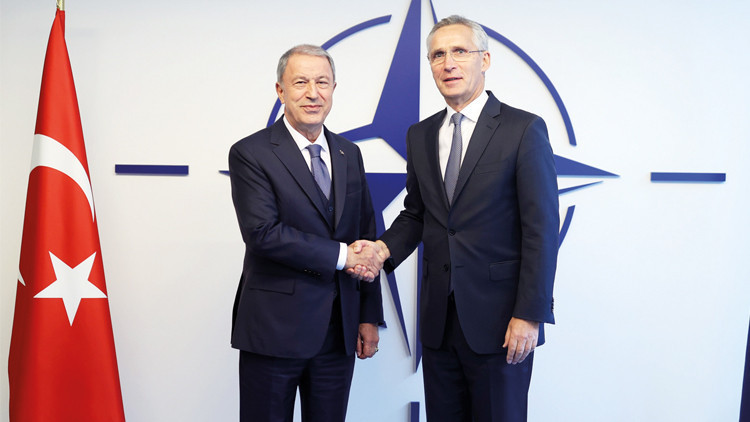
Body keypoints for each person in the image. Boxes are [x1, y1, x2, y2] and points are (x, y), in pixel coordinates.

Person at [353, 15, 559, 422]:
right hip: (439, 323)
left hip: (502, 323)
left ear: (485, 60)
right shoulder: (420, 135)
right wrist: (380, 250)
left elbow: (541, 229)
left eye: (460, 51)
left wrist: (530, 313)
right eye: (438, 55)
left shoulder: (523, 129)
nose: (448, 63)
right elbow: (417, 214)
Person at [228, 44, 384, 422]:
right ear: (280, 91)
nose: (312, 93)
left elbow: (365, 233)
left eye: (322, 83)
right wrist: (344, 256)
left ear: (334, 89)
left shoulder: (349, 153)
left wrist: (368, 315)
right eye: (300, 83)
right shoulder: (251, 152)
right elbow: (263, 233)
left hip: (338, 333)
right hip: (273, 332)